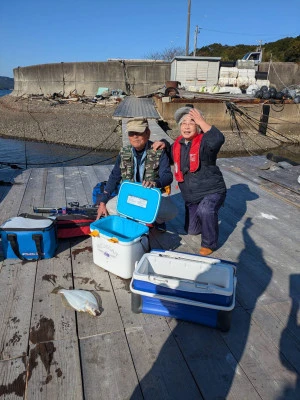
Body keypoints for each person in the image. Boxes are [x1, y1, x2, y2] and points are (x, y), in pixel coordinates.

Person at [152, 106, 226, 255]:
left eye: (191, 122)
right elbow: (171, 155)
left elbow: (218, 139)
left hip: (211, 191)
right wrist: (164, 144)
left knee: (206, 210)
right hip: (191, 197)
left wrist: (202, 121)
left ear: (198, 127)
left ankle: (209, 243)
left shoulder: (206, 142)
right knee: (192, 231)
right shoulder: (178, 144)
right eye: (183, 122)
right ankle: (202, 217)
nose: (186, 125)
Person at [96, 117, 177, 232]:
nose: (135, 136)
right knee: (110, 206)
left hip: (150, 195)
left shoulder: (159, 151)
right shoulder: (124, 153)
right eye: (131, 133)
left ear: (148, 133)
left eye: (139, 132)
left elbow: (168, 176)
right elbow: (114, 177)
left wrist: (155, 183)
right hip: (131, 195)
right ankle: (136, 219)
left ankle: (156, 221)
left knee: (172, 211)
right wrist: (103, 201)